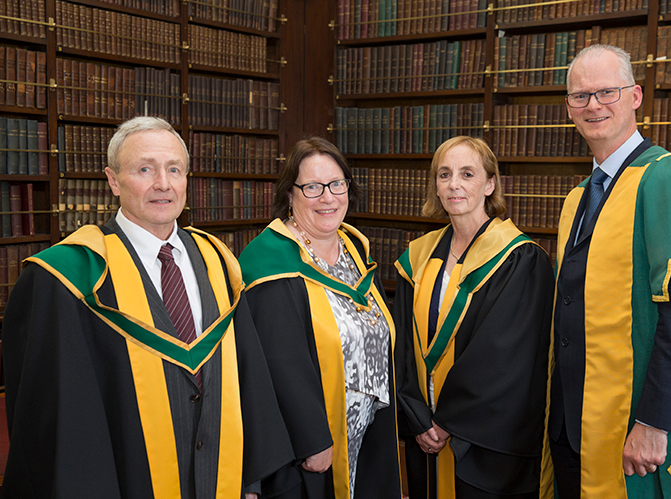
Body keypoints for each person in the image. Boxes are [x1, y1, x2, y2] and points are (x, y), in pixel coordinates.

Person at [1, 116, 294, 498]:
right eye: (145, 169)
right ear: (113, 180)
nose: (163, 184)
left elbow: (247, 378)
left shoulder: (218, 261)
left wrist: (251, 482)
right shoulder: (69, 279)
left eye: (174, 169)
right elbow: (60, 422)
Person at [549, 44, 671, 498]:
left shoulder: (669, 178)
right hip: (570, 422)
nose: (593, 105)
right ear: (568, 108)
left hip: (633, 425)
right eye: (580, 96)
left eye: (607, 92)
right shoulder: (578, 197)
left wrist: (654, 422)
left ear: (636, 96)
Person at [237, 137, 401, 499]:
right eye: (312, 187)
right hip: (308, 450)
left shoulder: (353, 248)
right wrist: (311, 439)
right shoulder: (271, 263)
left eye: (336, 184)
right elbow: (279, 365)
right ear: (290, 194)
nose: (328, 197)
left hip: (364, 431)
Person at [394, 136, 555, 499]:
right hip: (426, 434)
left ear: (490, 184)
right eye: (444, 174)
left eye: (467, 174)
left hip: (485, 444)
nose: (454, 184)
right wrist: (418, 417)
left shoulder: (520, 259)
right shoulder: (416, 258)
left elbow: (501, 358)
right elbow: (401, 343)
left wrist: (446, 422)